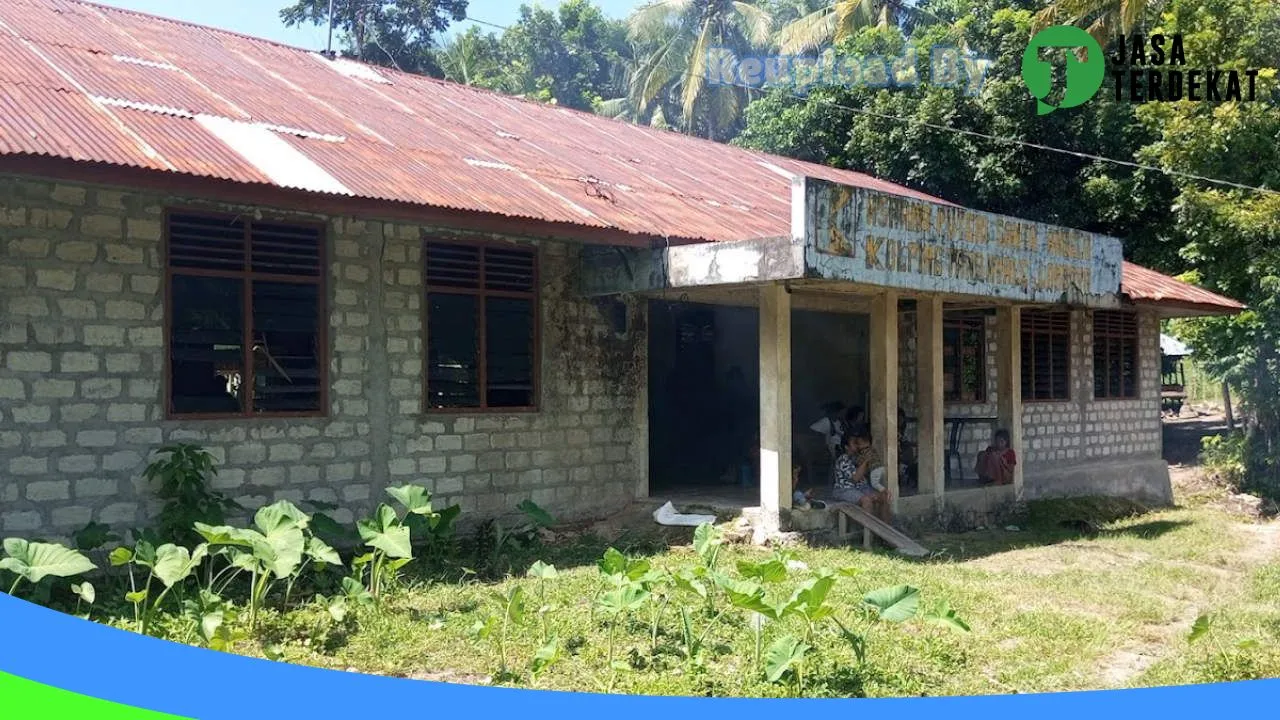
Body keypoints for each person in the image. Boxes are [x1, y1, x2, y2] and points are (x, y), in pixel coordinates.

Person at [832, 425, 891, 522]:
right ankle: (869, 533)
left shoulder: (858, 457)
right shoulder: (843, 460)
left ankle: (887, 531)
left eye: (858, 442)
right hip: (845, 490)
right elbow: (855, 478)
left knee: (884, 498)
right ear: (846, 447)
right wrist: (866, 461)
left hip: (861, 488)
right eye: (854, 443)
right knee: (866, 501)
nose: (858, 445)